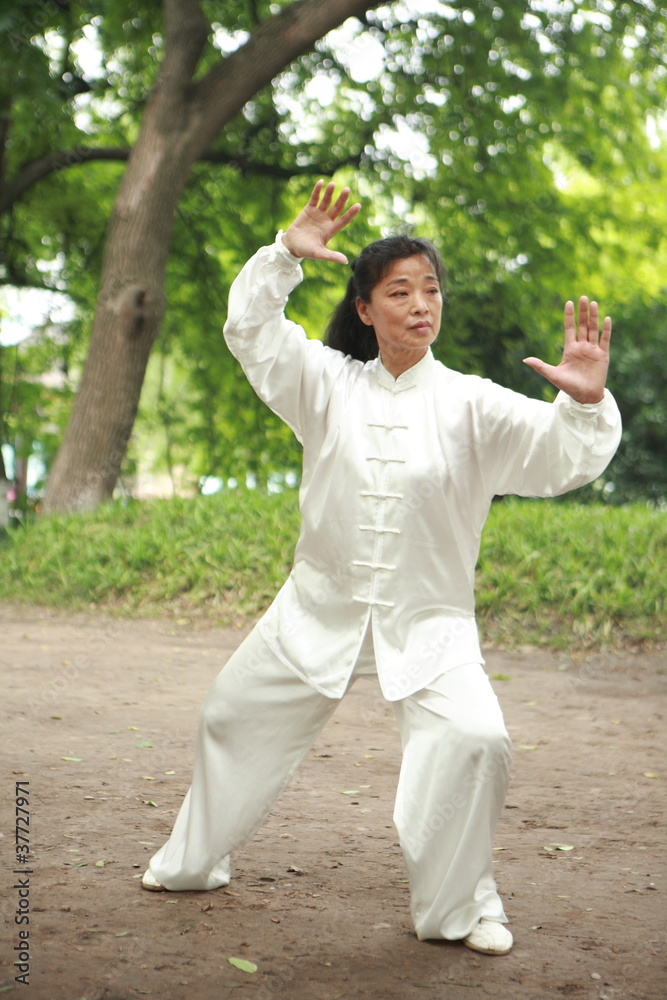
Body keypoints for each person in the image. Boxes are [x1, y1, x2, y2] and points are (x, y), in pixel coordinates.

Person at [142, 181, 622, 956]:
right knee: (227, 717)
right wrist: (282, 256)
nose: (419, 304)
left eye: (430, 289)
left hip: (429, 620)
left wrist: (584, 403)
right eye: (399, 291)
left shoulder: (474, 405)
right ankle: (192, 862)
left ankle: (457, 910)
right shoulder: (324, 383)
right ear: (365, 308)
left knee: (476, 740)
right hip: (315, 608)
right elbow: (251, 332)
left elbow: (559, 456)